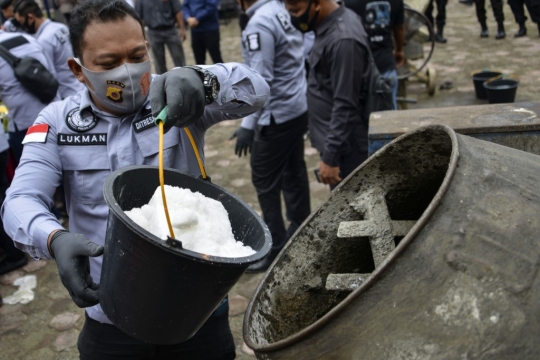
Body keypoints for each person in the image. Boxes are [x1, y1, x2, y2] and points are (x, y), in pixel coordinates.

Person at [2, 0, 268, 358]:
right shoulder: (56, 124)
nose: (127, 72)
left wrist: (207, 81)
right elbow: (20, 199)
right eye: (109, 63)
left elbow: (258, 90)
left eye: (137, 54)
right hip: (112, 317)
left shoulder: (180, 98)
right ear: (78, 71)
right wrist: (53, 238)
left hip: (195, 308)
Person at [231, 0, 311, 272]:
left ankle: (275, 245)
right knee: (293, 171)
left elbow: (260, 81)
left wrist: (248, 125)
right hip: (295, 108)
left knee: (264, 179)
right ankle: (301, 228)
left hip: (276, 116)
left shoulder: (260, 24)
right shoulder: (280, 10)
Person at [281, 0, 371, 189]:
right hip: (341, 145)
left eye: (296, 11)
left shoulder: (343, 41)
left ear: (317, 4)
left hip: (348, 151)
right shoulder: (328, 27)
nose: (293, 18)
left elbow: (346, 104)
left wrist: (331, 157)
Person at [0, 30, 59, 164]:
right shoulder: (27, 38)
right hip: (54, 115)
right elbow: (51, 71)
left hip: (26, 127)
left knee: (35, 170)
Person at [13, 0, 84, 98]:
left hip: (69, 94)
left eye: (21, 22)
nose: (21, 26)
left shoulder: (43, 41)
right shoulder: (60, 27)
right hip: (82, 85)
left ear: (30, 18)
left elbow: (50, 76)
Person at [344, 0, 404, 109]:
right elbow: (399, 28)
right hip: (386, 66)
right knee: (389, 115)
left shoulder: (348, 3)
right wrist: (399, 50)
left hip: (360, 69)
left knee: (360, 115)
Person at [135, 0, 187, 74]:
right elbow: (138, 18)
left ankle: (183, 77)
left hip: (171, 30)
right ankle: (162, 81)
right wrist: (142, 37)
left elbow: (177, 10)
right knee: (159, 62)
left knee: (179, 58)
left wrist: (182, 28)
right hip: (153, 32)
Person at [183, 0, 224, 64]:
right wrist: (188, 18)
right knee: (199, 61)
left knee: (216, 58)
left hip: (210, 29)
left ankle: (222, 73)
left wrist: (197, 18)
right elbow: (185, 6)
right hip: (195, 30)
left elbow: (211, 6)